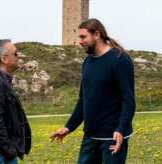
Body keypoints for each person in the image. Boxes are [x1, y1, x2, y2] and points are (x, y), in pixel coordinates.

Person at [51, 18, 136, 164]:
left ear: (97, 34)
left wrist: (121, 129)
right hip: (90, 136)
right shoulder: (87, 62)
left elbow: (128, 100)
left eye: (83, 37)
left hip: (113, 137)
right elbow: (83, 100)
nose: (80, 41)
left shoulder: (119, 59)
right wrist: (68, 127)